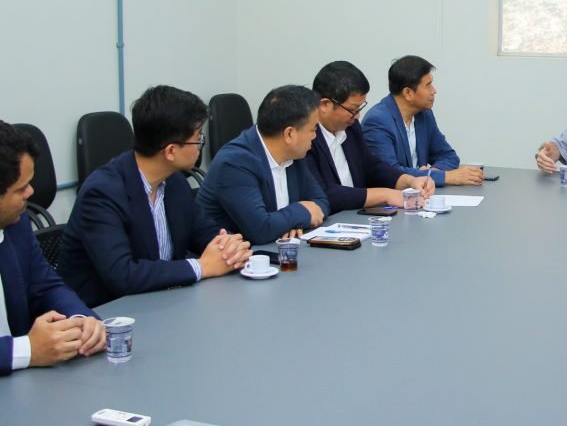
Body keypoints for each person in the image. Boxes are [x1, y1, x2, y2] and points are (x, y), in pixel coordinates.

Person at [58, 86, 252, 307]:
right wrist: (202, 266)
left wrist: (229, 247)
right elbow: (123, 275)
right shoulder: (102, 193)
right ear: (170, 151)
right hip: (106, 313)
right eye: (198, 138)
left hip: (163, 302)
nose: (200, 145)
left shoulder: (174, 182)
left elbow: (205, 232)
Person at [0, 121, 105, 374]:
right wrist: (28, 350)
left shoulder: (15, 223)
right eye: (21, 188)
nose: (31, 192)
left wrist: (80, 320)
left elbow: (45, 286)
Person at [197, 85, 330, 244]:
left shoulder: (294, 154)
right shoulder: (235, 162)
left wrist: (293, 222)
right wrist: (301, 213)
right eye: (313, 129)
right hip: (239, 255)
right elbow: (261, 229)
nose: (315, 136)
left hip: (278, 249)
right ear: (289, 134)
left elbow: (321, 201)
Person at [307, 61, 435, 214]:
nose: (357, 116)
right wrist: (386, 195)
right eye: (353, 109)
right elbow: (325, 193)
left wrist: (409, 180)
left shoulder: (350, 128)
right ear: (325, 105)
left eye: (360, 108)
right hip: (328, 221)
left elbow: (372, 167)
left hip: (356, 216)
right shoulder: (307, 139)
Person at [363, 55, 483, 187]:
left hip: (421, 194)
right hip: (391, 197)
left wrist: (431, 174)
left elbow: (448, 156)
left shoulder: (424, 114)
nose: (434, 91)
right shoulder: (377, 121)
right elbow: (390, 173)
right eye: (428, 85)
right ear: (408, 93)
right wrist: (445, 177)